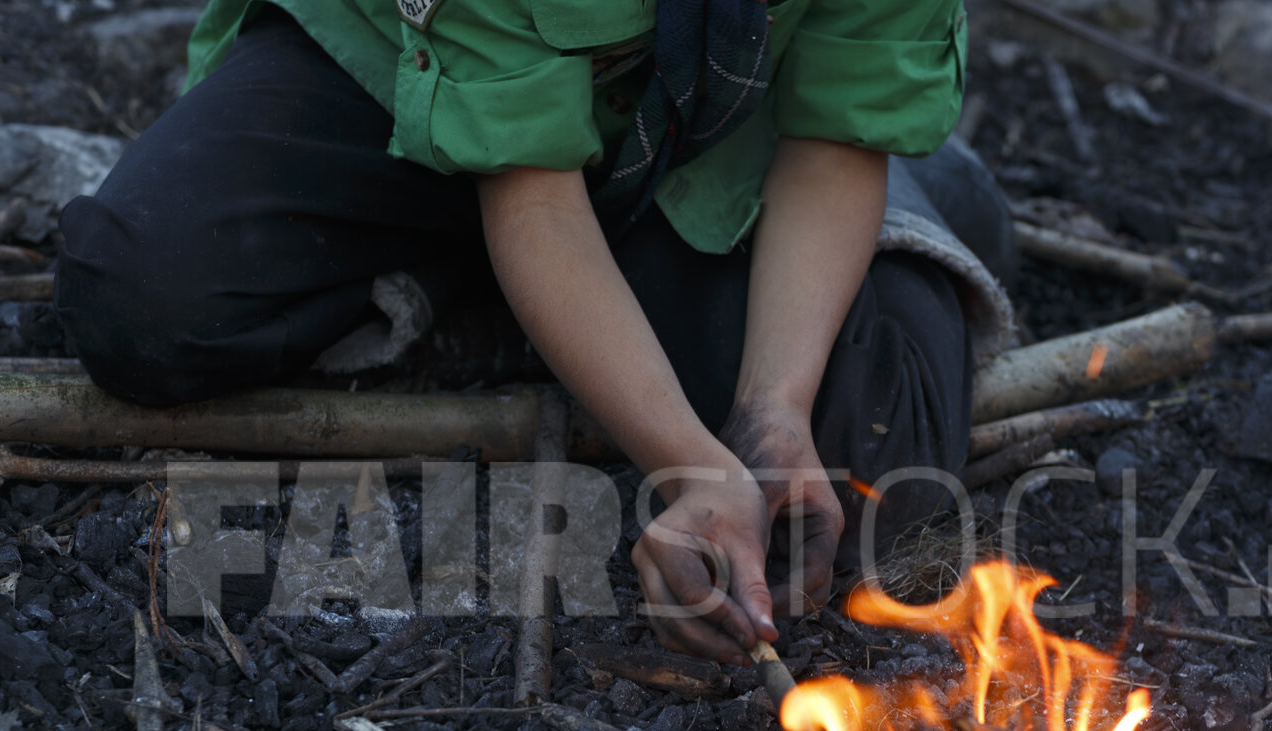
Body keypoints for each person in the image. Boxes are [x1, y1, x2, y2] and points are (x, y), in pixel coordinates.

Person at [55, 0, 1015, 664]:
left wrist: (772, 418)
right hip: (399, 79)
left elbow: (837, 139)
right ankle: (477, 272)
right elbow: (535, 195)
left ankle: (932, 181)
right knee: (145, 303)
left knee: (876, 456)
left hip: (707, 124)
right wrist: (688, 462)